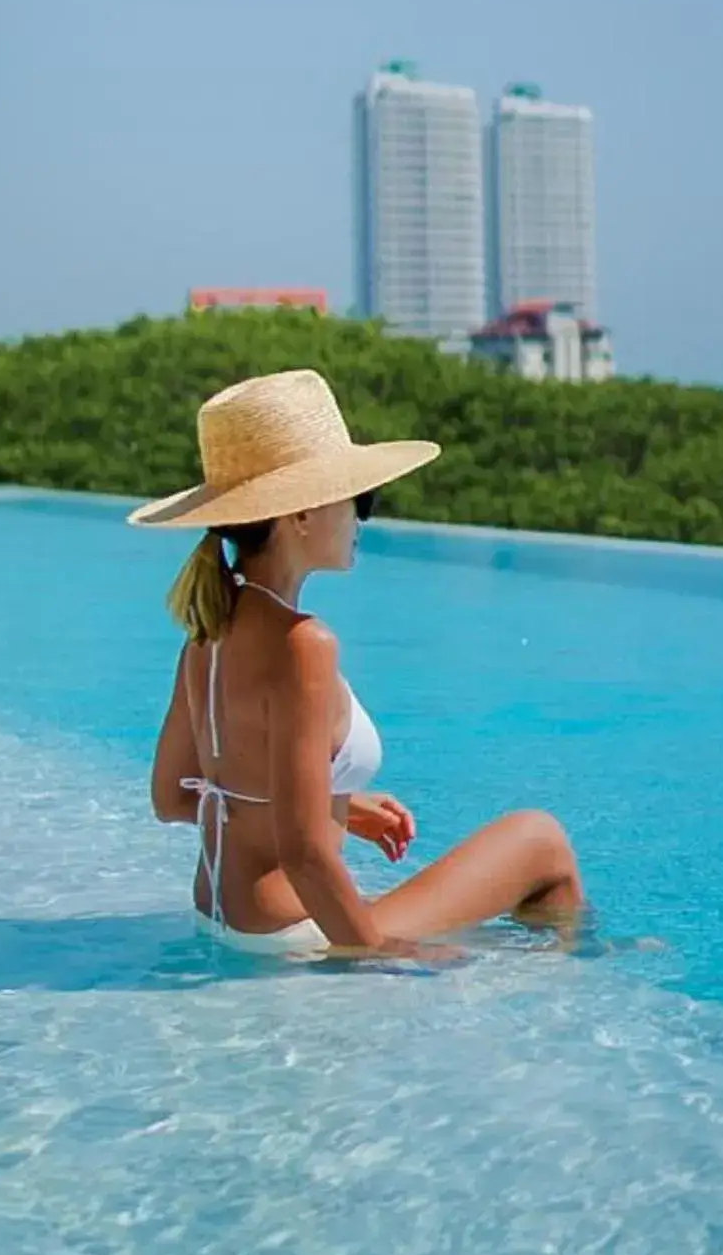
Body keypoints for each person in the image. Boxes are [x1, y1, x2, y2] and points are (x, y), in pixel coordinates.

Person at [135, 367, 584, 955]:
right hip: (293, 936)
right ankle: (578, 986)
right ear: (300, 516)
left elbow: (173, 799)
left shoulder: (207, 633)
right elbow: (303, 856)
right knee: (542, 842)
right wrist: (378, 957)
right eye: (358, 499)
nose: (362, 518)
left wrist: (334, 805)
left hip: (220, 918)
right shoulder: (304, 644)